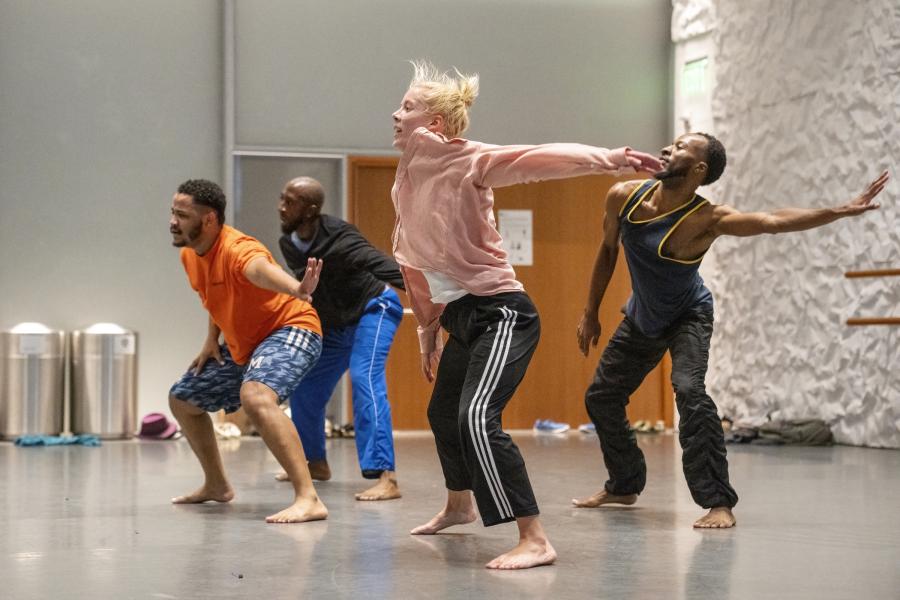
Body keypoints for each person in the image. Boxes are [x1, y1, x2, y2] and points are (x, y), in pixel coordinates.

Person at [390, 60, 662, 569]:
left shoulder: (467, 160)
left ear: (436, 125)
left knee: (476, 416)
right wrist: (428, 331)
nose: (394, 114)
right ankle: (460, 504)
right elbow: (413, 261)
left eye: (407, 107)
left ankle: (534, 537)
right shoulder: (405, 177)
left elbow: (538, 159)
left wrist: (612, 158)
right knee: (442, 412)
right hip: (460, 316)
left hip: (503, 314)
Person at [573, 132, 889, 528]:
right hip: (643, 316)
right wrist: (590, 311)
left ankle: (718, 502)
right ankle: (624, 484)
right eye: (671, 143)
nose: (669, 148)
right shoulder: (624, 195)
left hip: (689, 315)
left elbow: (771, 222)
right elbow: (607, 250)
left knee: (689, 390)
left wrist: (838, 211)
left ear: (699, 169)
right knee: (602, 396)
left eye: (682, 147)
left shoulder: (707, 219)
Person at [167, 178, 328, 524]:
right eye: (173, 212)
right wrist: (211, 338)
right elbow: (214, 297)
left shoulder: (238, 249)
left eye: (182, 214)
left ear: (209, 219)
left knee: (255, 396)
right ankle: (216, 484)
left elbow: (260, 271)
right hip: (248, 346)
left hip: (293, 328)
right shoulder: (190, 255)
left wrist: (297, 289)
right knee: (182, 399)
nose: (173, 221)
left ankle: (308, 497)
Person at [276, 176, 405, 501]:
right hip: (337, 324)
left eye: (289, 201)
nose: (281, 207)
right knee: (306, 387)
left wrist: (429, 292)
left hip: (374, 309)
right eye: (282, 199)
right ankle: (315, 462)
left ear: (310, 210)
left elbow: (378, 263)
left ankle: (385, 476)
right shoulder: (289, 242)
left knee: (365, 378)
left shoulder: (341, 236)